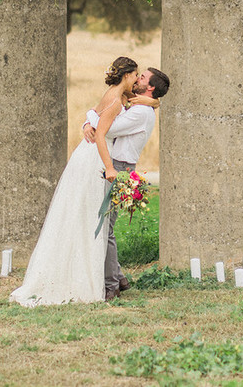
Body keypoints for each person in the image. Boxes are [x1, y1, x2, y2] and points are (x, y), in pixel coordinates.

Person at [9, 57, 159, 306]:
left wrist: (152, 101)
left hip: (93, 157)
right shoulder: (116, 99)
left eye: (141, 77)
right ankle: (111, 281)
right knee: (95, 221)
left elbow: (111, 111)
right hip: (99, 160)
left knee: (92, 219)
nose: (137, 79)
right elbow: (103, 132)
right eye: (136, 75)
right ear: (126, 76)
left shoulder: (123, 97)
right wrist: (108, 165)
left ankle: (115, 277)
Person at [83, 66, 170, 300]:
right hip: (118, 164)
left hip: (119, 168)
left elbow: (108, 129)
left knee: (106, 229)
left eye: (141, 77)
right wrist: (87, 123)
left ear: (150, 87)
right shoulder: (141, 107)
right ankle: (119, 277)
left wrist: (89, 120)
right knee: (106, 225)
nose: (137, 79)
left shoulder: (141, 113)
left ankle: (111, 284)